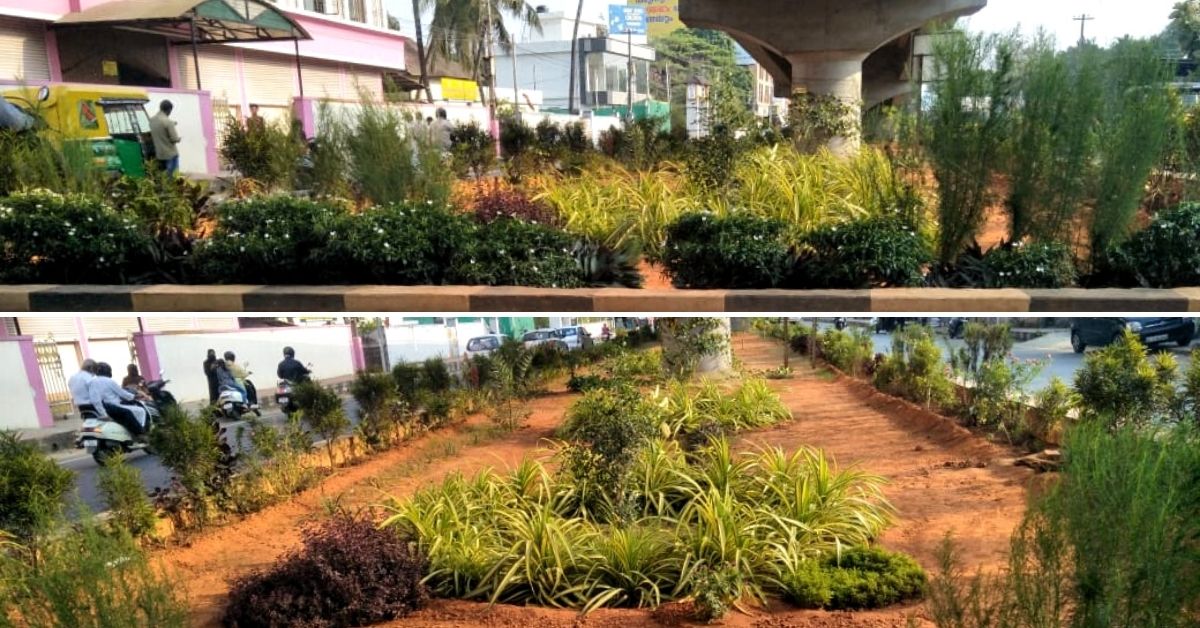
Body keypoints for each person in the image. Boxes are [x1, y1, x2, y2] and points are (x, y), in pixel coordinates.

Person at [88, 362, 144, 437]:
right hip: (114, 406)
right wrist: (135, 396)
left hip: (101, 408)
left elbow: (95, 399)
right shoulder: (109, 381)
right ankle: (139, 434)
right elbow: (122, 393)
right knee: (139, 411)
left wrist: (102, 412)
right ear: (108, 371)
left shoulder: (92, 382)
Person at [149, 100, 181, 175]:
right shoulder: (168, 122)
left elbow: (161, 127)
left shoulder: (152, 120)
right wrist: (179, 139)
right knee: (173, 177)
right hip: (170, 154)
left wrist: (173, 123)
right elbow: (174, 139)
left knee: (163, 178)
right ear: (169, 110)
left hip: (159, 154)